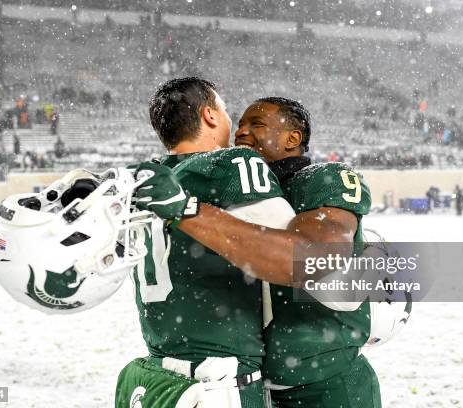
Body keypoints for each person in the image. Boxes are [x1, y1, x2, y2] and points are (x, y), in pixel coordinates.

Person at [136, 97, 381, 407]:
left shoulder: (321, 179)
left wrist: (188, 210)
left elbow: (318, 258)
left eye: (257, 125)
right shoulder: (234, 183)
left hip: (325, 384)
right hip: (252, 384)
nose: (241, 132)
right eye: (240, 125)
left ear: (293, 138)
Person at [115, 78, 296, 408]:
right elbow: (298, 260)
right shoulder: (229, 164)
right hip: (221, 382)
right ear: (210, 115)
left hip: (160, 378)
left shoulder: (140, 179)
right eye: (225, 110)